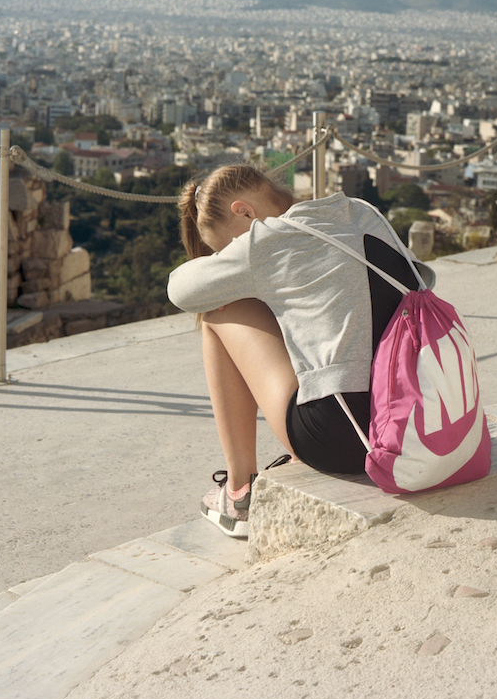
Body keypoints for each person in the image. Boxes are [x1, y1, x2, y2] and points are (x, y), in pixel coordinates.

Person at [167, 163, 433, 538]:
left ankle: (239, 492)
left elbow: (179, 290)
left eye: (228, 247)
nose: (232, 256)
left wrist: (235, 269)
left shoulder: (267, 240)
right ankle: (286, 461)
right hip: (421, 415)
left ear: (244, 211)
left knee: (218, 313)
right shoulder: (361, 211)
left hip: (347, 439)